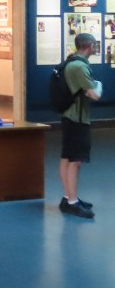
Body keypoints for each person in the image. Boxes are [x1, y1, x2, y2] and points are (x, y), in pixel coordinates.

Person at [59, 33, 102, 219]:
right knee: (75, 161)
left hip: (69, 116)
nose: (96, 47)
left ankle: (68, 197)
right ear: (89, 45)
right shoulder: (80, 66)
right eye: (95, 44)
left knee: (67, 157)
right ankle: (72, 202)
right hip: (77, 118)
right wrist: (98, 86)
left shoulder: (71, 62)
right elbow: (94, 94)